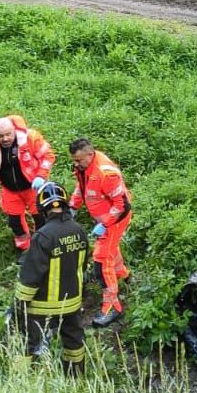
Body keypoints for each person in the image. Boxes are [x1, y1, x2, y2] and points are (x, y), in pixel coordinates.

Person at [13, 181, 88, 376]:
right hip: (72, 302)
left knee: (29, 344)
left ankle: (23, 379)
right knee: (74, 343)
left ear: (42, 208)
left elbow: (31, 275)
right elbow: (82, 266)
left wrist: (19, 304)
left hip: (42, 305)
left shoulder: (43, 236)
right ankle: (76, 379)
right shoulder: (79, 230)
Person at [68, 137, 132, 328]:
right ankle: (122, 275)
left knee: (101, 260)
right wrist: (72, 207)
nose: (76, 164)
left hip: (115, 219)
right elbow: (82, 188)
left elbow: (122, 205)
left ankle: (113, 307)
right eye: (74, 160)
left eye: (79, 160)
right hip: (105, 219)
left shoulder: (106, 173)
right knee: (111, 251)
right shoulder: (84, 168)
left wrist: (105, 223)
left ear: (90, 154)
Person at [0, 114, 56, 252]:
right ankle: (25, 248)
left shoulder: (30, 138)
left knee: (41, 217)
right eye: (1, 136)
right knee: (15, 222)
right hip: (9, 190)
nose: (5, 139)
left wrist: (41, 176)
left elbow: (48, 155)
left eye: (8, 134)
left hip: (32, 187)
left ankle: (42, 245)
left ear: (14, 130)